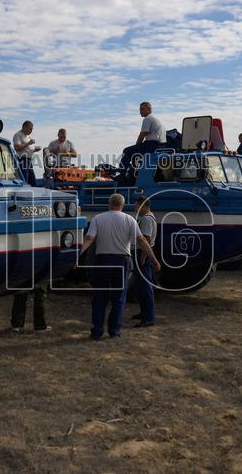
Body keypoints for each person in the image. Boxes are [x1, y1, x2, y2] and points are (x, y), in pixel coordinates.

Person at [79, 193, 161, 339]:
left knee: (99, 298)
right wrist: (154, 259)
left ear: (109, 204)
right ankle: (114, 331)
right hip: (122, 260)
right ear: (122, 205)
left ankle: (97, 330)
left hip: (102, 260)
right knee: (119, 298)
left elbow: (89, 238)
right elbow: (142, 241)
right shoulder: (130, 220)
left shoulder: (98, 218)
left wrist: (77, 256)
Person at [118, 102, 165, 182]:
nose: (140, 111)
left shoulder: (148, 119)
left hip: (151, 145)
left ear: (148, 109)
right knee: (136, 155)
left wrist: (136, 146)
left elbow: (142, 135)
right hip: (160, 145)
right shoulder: (156, 119)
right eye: (140, 109)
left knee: (127, 151)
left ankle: (121, 175)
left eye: (142, 109)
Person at [130, 196, 157, 327]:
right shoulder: (147, 218)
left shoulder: (146, 219)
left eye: (137, 204)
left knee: (145, 286)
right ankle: (144, 312)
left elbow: (146, 239)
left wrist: (143, 258)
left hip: (142, 254)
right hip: (141, 253)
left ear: (143, 205)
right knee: (141, 285)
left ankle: (148, 317)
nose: (135, 207)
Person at [12, 121, 40, 185]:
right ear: (24, 127)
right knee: (25, 179)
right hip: (22, 160)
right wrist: (29, 143)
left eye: (32, 129)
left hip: (29, 160)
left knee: (32, 180)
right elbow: (17, 148)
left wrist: (34, 149)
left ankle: (33, 192)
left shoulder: (27, 136)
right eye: (30, 129)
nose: (31, 131)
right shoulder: (18, 135)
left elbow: (27, 149)